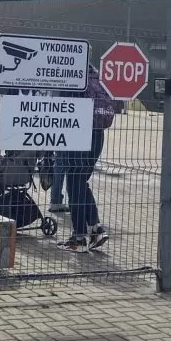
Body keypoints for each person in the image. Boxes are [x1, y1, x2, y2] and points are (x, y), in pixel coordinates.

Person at [58, 66, 118, 252]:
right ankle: (94, 228)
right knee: (80, 181)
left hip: (79, 132)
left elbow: (63, 107)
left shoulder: (72, 77)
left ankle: (80, 237)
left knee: (74, 183)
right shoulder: (97, 76)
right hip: (98, 134)